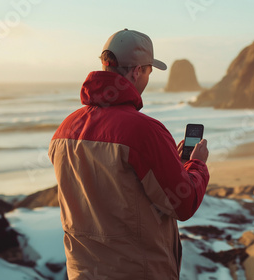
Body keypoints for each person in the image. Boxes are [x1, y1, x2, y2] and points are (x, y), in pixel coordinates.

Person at [48, 28, 210, 280]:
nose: (148, 78)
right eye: (148, 71)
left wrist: (173, 164)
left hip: (81, 272)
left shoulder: (64, 130)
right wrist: (196, 165)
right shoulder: (144, 131)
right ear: (137, 71)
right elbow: (183, 203)